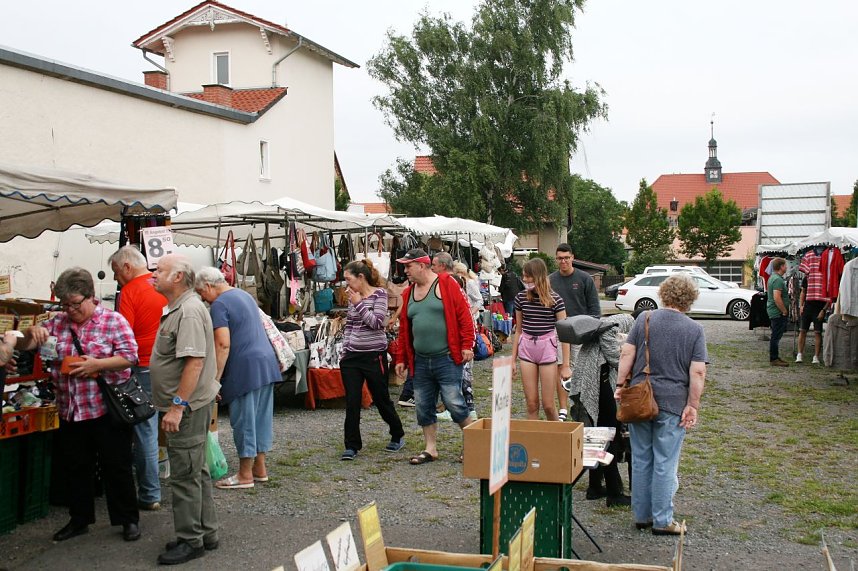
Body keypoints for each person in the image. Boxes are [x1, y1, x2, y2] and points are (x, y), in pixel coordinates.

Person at [14, 267, 141, 542]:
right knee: (76, 468)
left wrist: (98, 364)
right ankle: (79, 519)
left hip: (106, 409)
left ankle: (128, 519)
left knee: (116, 466)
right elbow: (25, 345)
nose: (70, 310)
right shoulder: (55, 323)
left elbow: (130, 357)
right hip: (70, 408)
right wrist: (29, 333)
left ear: (91, 297)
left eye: (75, 304)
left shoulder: (113, 321)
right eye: (65, 304)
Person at [615, 274, 706, 536]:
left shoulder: (644, 319)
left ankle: (641, 515)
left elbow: (627, 353)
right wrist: (693, 405)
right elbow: (697, 372)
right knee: (666, 462)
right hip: (673, 402)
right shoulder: (694, 330)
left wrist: (620, 386)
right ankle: (662, 520)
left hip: (640, 399)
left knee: (642, 459)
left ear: (663, 294)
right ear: (689, 300)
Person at [151, 254, 220, 565]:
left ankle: (192, 540)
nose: (154, 273)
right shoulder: (184, 307)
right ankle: (206, 532)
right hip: (192, 404)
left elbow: (195, 361)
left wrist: (177, 406)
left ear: (177, 277)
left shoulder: (188, 311)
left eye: (160, 270)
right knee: (196, 470)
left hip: (187, 408)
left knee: (185, 474)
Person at [194, 267, 280, 488]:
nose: (202, 298)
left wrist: (214, 379)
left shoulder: (220, 304)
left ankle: (244, 475)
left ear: (208, 286)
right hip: (266, 362)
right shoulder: (243, 295)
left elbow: (222, 344)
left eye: (201, 293)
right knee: (260, 418)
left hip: (244, 368)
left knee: (244, 421)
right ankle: (259, 469)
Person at [394, 248, 476, 464]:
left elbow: (465, 316)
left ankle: (474, 445)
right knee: (422, 404)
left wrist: (467, 344)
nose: (405, 271)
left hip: (446, 357)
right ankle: (431, 449)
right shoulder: (408, 292)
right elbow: (404, 330)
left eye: (408, 266)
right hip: (420, 359)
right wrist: (401, 357)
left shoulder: (447, 284)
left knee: (454, 402)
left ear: (422, 265)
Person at [109, 245, 168, 511]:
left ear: (126, 267)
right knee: (177, 424)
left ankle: (150, 494)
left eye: (115, 272)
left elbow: (123, 334)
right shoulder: (163, 284)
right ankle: (185, 483)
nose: (115, 278)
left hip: (143, 366)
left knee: (145, 429)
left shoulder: (130, 291)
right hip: (172, 365)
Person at [338, 259, 406, 460]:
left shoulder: (380, 294)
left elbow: (376, 323)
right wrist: (344, 349)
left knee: (381, 398)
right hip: (351, 356)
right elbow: (350, 325)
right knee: (352, 401)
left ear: (361, 277)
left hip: (373, 355)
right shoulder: (352, 297)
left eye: (349, 279)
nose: (347, 284)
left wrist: (359, 304)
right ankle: (351, 445)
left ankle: (397, 433)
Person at [569, 314, 635, 507]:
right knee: (609, 435)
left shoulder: (613, 321)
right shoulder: (620, 323)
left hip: (594, 379)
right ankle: (614, 493)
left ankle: (595, 486)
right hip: (598, 381)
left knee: (597, 432)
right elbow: (615, 357)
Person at [512, 258, 570, 421]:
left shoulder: (556, 300)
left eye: (528, 277)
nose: (525, 280)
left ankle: (557, 440)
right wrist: (512, 360)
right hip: (527, 349)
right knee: (531, 403)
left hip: (547, 349)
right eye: (524, 276)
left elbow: (565, 335)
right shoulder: (521, 298)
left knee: (549, 405)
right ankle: (534, 443)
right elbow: (518, 330)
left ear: (538, 276)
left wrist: (565, 365)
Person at [550, 243, 601, 422]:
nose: (563, 261)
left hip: (580, 331)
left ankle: (580, 405)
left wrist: (592, 330)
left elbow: (594, 309)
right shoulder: (551, 280)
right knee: (560, 368)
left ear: (572, 257)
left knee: (580, 370)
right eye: (560, 258)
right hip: (558, 331)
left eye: (566, 258)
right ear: (556, 260)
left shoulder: (584, 278)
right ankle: (563, 408)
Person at [796, 248, 829, 364]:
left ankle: (816, 357)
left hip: (820, 304)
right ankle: (799, 354)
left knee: (817, 332)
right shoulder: (809, 257)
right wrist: (801, 306)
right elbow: (803, 292)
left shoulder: (827, 276)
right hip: (808, 304)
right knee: (802, 330)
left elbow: (830, 295)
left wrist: (824, 310)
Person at [766, 257, 790, 366]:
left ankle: (775, 357)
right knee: (776, 335)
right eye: (785, 265)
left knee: (776, 335)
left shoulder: (774, 278)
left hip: (774, 311)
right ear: (781, 267)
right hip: (777, 312)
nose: (787, 267)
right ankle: (774, 358)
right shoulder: (778, 280)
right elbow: (777, 297)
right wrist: (784, 310)